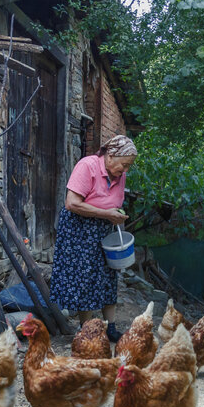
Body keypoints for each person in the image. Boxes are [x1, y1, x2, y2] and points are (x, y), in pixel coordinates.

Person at [50, 135, 137, 342]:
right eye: (124, 164)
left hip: (104, 227)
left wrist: (116, 214)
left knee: (108, 275)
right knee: (85, 278)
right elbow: (72, 203)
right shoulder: (87, 166)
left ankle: (110, 328)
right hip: (80, 229)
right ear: (111, 155)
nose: (126, 170)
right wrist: (106, 214)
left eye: (129, 166)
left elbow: (113, 202)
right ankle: (87, 330)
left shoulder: (120, 175)